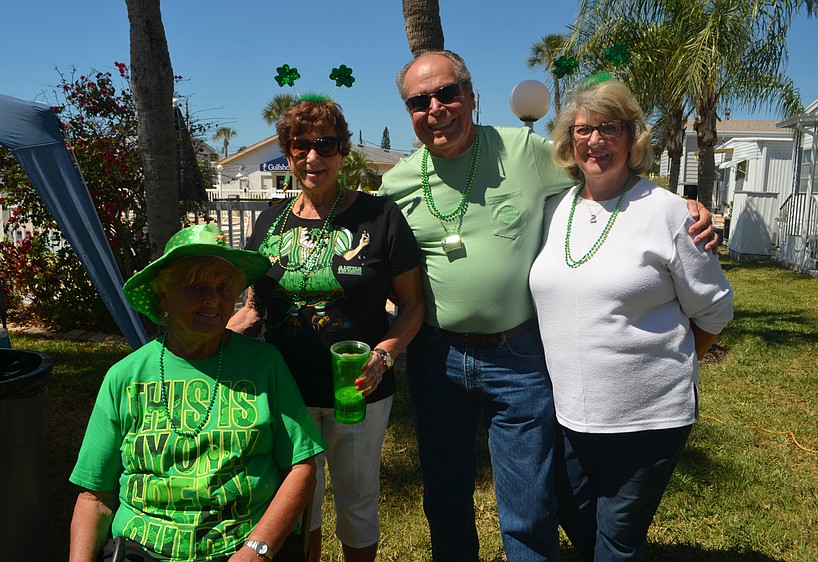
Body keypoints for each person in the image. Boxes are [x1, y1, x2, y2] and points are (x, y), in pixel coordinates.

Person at [379, 51, 718, 562]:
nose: (437, 107)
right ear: (409, 111)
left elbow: (605, 181)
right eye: (420, 100)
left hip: (518, 356)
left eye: (448, 93)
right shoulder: (397, 183)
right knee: (445, 495)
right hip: (437, 357)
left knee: (527, 502)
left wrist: (682, 207)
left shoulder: (525, 150)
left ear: (471, 97)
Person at [529, 77, 734, 561]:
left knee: (617, 538)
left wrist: (673, 364)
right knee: (572, 511)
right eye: (582, 130)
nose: (594, 140)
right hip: (569, 413)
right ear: (567, 140)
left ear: (632, 137)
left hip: (648, 416)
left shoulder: (669, 212)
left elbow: (715, 308)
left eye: (609, 128)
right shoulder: (554, 209)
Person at [228, 96, 424, 562]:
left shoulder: (380, 217)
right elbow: (255, 307)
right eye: (301, 146)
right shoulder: (269, 221)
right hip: (285, 390)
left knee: (357, 501)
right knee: (299, 504)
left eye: (326, 144)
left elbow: (413, 306)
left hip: (358, 390)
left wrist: (385, 354)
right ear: (288, 152)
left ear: (343, 151)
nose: (313, 156)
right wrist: (197, 348)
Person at [69, 223, 326, 562]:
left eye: (223, 288)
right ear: (164, 297)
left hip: (241, 547)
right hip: (142, 552)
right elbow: (94, 497)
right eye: (196, 287)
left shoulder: (264, 365)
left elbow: (302, 466)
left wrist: (257, 550)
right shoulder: (125, 377)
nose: (212, 301)